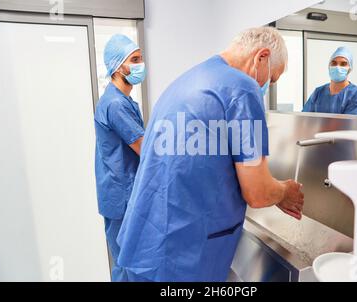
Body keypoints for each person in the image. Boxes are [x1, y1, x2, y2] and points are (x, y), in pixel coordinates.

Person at [116, 27, 304, 282]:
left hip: (145, 242)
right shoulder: (242, 88)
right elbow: (257, 193)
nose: (266, 86)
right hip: (181, 258)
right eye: (272, 79)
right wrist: (284, 191)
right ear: (261, 57)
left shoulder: (186, 81)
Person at [94, 34, 146, 282]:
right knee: (128, 265)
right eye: (134, 60)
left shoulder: (124, 101)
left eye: (141, 58)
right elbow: (145, 148)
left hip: (123, 194)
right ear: (117, 67)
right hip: (121, 197)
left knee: (129, 262)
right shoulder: (115, 104)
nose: (140, 65)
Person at [303, 46, 357, 115]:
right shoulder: (318, 92)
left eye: (343, 64)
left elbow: (349, 124)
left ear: (349, 68)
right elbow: (304, 118)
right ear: (329, 66)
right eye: (334, 63)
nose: (337, 67)